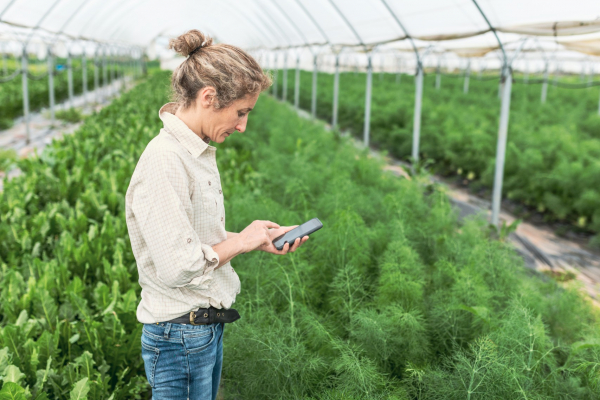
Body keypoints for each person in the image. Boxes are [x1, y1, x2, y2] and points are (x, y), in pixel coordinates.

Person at [124, 29, 309, 400]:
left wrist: (253, 238)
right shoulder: (166, 161)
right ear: (209, 97)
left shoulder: (195, 151)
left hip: (199, 331)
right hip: (180, 337)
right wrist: (240, 242)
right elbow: (179, 266)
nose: (243, 126)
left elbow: (194, 240)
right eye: (241, 112)